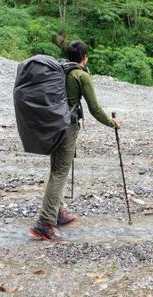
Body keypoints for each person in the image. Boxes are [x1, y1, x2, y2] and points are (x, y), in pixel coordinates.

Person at [29, 40, 121, 241]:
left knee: (57, 170)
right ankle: (45, 223)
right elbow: (94, 109)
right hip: (67, 127)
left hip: (53, 124)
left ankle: (58, 211)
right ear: (84, 57)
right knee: (60, 173)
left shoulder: (61, 70)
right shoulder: (80, 75)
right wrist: (112, 123)